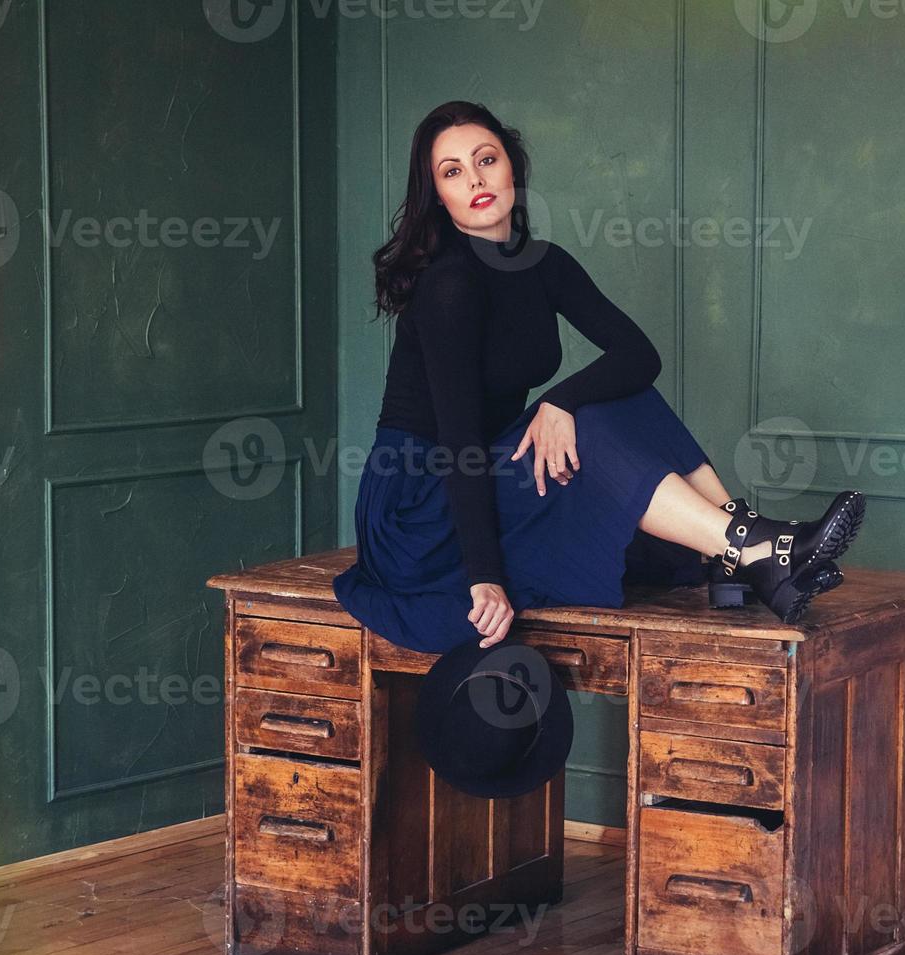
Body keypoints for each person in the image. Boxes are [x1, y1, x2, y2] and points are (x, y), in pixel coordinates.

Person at [333, 100, 865, 655]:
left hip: (483, 466)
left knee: (618, 396)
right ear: (438, 197)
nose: (476, 179)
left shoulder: (544, 264)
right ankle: (755, 553)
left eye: (485, 159)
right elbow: (458, 442)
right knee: (592, 426)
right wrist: (483, 574)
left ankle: (737, 547)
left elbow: (638, 355)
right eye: (452, 172)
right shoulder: (450, 286)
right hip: (420, 505)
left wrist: (559, 401)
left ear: (511, 165)